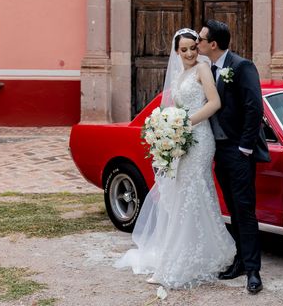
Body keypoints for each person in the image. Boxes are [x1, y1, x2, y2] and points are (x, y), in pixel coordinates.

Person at [114, 28, 235, 288]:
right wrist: (168, 126)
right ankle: (187, 254)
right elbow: (172, 107)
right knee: (183, 195)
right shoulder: (179, 76)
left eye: (193, 47)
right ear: (176, 51)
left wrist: (184, 123)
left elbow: (214, 103)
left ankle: (183, 260)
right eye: (184, 49)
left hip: (200, 139)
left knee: (194, 191)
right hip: (183, 140)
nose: (190, 53)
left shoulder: (203, 69)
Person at [196, 19, 270, 295]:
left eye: (201, 39)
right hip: (217, 151)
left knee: (245, 210)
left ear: (212, 44)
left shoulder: (241, 66)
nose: (198, 42)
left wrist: (245, 148)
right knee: (233, 210)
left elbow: (254, 108)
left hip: (238, 151)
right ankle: (240, 261)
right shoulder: (207, 68)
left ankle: (253, 271)